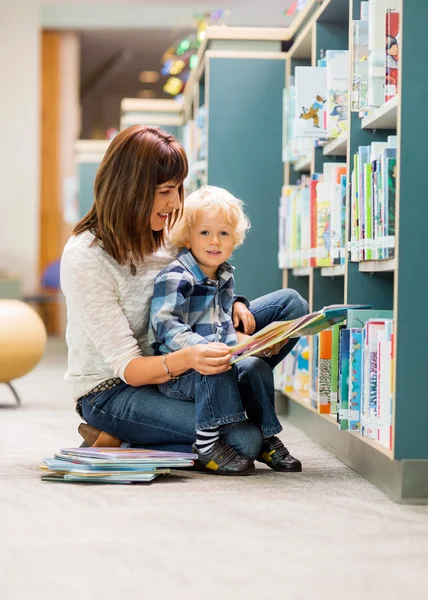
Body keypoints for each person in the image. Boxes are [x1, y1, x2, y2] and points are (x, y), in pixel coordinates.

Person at [60, 125, 308, 475]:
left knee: (291, 307)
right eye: (165, 191)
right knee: (243, 442)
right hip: (116, 390)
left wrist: (235, 303)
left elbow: (200, 282)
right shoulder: (85, 257)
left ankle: (227, 397)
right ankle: (122, 436)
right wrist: (194, 355)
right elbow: (129, 368)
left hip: (184, 363)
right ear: (131, 189)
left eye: (178, 189)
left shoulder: (166, 236)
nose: (176, 203)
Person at [150, 185, 302, 475]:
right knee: (215, 362)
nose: (214, 241)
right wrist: (203, 348)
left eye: (224, 234)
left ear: (235, 239)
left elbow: (217, 312)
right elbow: (165, 325)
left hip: (221, 357)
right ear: (188, 236)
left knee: (256, 365)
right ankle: (206, 443)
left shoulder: (223, 274)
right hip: (182, 373)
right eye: (205, 233)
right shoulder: (175, 276)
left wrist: (238, 304)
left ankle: (267, 437)